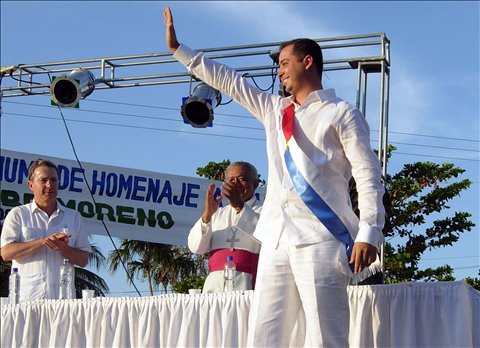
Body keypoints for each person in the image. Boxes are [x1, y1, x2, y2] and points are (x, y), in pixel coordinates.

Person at [164, 7, 385, 347]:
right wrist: (181, 51)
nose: (279, 71)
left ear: (307, 62)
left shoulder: (342, 113)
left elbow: (367, 173)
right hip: (276, 239)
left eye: (284, 63)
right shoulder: (274, 110)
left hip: (321, 239)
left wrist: (369, 229)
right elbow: (230, 82)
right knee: (265, 335)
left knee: (326, 337)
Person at [0, 159, 91, 302]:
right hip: (27, 302)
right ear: (31, 185)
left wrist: (64, 249)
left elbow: (84, 259)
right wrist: (43, 242)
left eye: (54, 180)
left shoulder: (73, 217)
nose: (50, 185)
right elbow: (6, 253)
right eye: (43, 180)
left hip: (62, 303)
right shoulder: (18, 214)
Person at [188, 161, 262, 293]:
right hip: (214, 286)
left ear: (255, 184)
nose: (236, 184)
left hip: (249, 284)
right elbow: (196, 248)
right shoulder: (217, 213)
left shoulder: (266, 211)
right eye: (231, 180)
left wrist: (240, 206)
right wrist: (207, 214)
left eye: (242, 179)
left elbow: (267, 236)